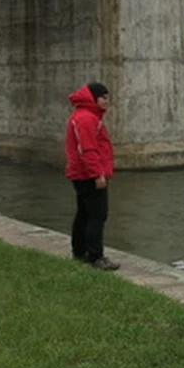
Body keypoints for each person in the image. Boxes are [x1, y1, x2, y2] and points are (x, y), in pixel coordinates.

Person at [64, 82, 119, 271]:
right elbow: (87, 150)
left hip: (81, 173)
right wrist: (97, 175)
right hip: (88, 174)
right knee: (97, 215)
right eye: (103, 97)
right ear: (93, 99)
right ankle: (96, 256)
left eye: (107, 97)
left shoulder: (86, 116)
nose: (107, 101)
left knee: (84, 213)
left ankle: (80, 251)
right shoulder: (86, 118)